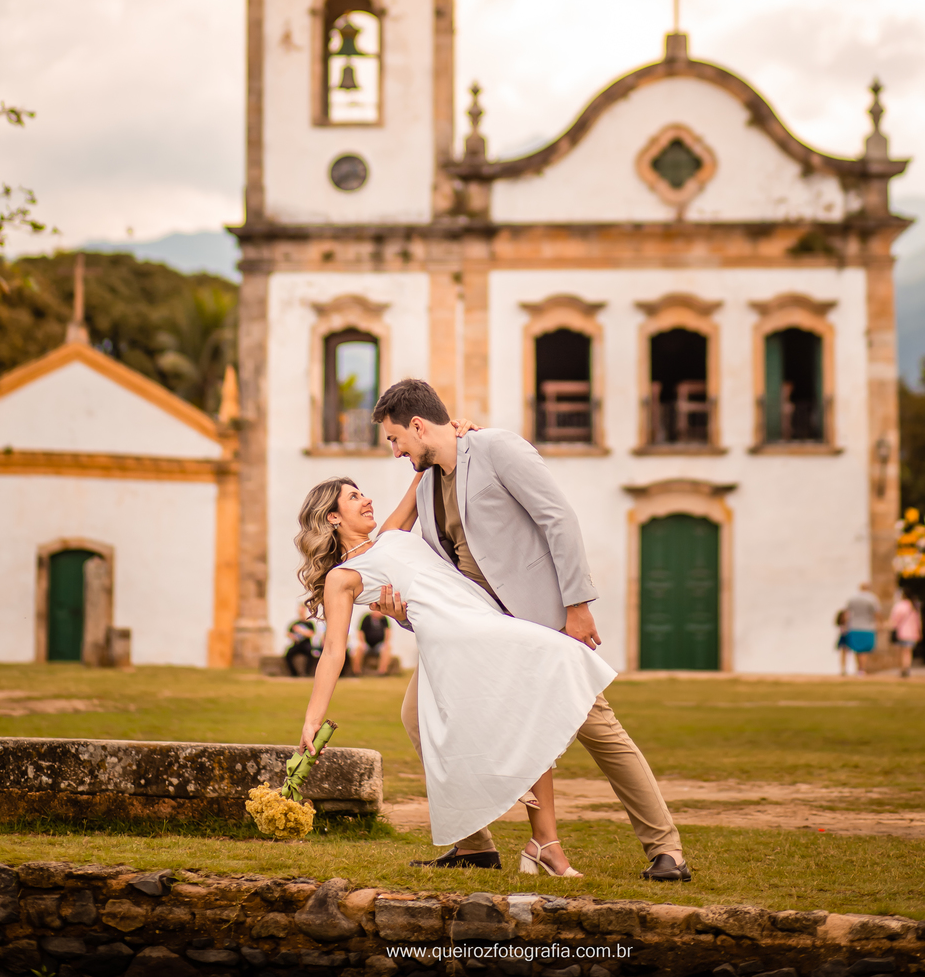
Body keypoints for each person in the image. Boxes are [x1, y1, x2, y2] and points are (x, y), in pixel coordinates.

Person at [369, 378, 693, 883]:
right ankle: (475, 845)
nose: (394, 451)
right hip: (478, 633)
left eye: (395, 439)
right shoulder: (428, 486)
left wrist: (577, 605)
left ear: (417, 425)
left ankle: (666, 850)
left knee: (598, 728)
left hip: (539, 621)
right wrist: (406, 612)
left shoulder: (497, 448)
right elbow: (432, 566)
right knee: (417, 715)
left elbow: (557, 518)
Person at [295, 470, 615, 879]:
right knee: (544, 679)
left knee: (529, 710)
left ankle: (543, 844)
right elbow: (333, 650)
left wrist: (458, 437)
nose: (366, 499)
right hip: (459, 640)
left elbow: (422, 469)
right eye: (354, 497)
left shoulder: (391, 534)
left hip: (481, 618)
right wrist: (312, 719)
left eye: (363, 493)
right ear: (333, 517)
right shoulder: (341, 577)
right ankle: (533, 841)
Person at [842, 581, 881, 676]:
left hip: (854, 626)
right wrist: (880, 624)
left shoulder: (852, 598)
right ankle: (862, 669)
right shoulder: (872, 598)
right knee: (864, 650)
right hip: (867, 627)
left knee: (856, 649)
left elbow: (846, 613)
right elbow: (877, 613)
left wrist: (845, 625)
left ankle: (858, 668)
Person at [888, 587, 921, 679]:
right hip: (912, 633)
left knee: (900, 652)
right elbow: (918, 621)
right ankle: (906, 668)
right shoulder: (914, 606)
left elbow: (894, 620)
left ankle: (902, 669)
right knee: (908, 652)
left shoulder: (899, 606)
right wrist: (919, 632)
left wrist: (891, 627)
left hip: (901, 633)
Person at [284, 609, 320, 678]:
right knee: (288, 654)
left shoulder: (309, 623)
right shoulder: (295, 623)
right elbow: (288, 633)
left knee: (311, 654)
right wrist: (293, 636)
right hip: (297, 644)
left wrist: (301, 631)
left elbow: (311, 634)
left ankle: (307, 673)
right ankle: (294, 673)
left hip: (306, 644)